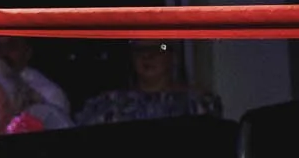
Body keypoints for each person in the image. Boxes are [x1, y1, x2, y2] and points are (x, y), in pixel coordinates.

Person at [76, 40, 224, 125]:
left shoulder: (199, 105)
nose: (148, 56)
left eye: (159, 47)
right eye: (140, 50)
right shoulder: (107, 106)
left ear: (173, 56)